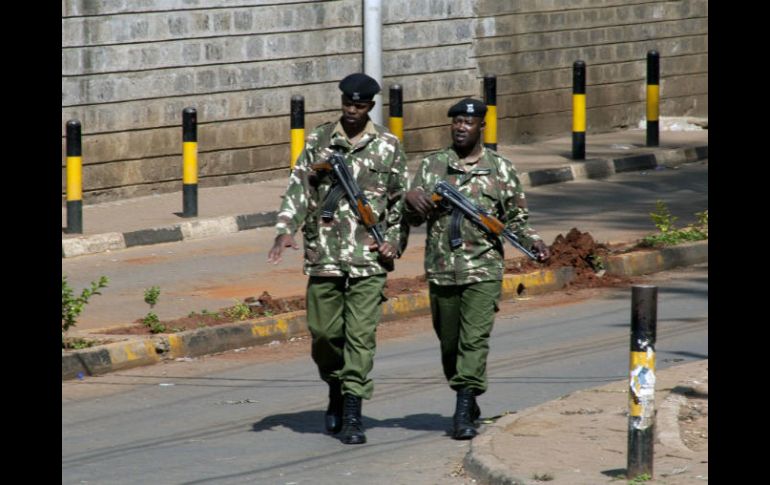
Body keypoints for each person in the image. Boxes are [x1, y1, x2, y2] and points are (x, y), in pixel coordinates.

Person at [267, 73, 408, 445]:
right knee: (326, 335)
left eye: (359, 105)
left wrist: (393, 241)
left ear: (370, 107)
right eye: (346, 102)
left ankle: (352, 413)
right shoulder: (319, 140)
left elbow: (398, 203)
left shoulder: (388, 146)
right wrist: (286, 229)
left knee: (360, 337)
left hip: (368, 257)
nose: (351, 110)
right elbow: (298, 187)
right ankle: (334, 384)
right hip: (324, 253)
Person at [404, 98, 550, 440]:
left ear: (481, 126)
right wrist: (409, 200)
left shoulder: (501, 168)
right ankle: (467, 396)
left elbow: (516, 219)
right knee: (450, 343)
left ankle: (463, 406)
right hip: (442, 268)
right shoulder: (432, 166)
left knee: (474, 340)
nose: (460, 128)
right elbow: (412, 218)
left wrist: (535, 241)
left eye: (467, 123)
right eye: (455, 122)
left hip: (483, 269)